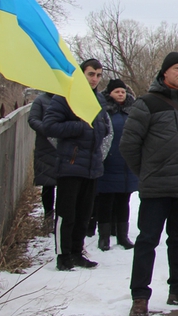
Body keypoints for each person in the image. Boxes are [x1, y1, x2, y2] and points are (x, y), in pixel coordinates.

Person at [119, 52, 178, 316]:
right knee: (147, 241)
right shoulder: (146, 104)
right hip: (156, 187)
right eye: (177, 68)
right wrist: (147, 173)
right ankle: (140, 296)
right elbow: (129, 145)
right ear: (165, 72)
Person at [42, 58, 112, 271]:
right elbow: (49, 126)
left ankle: (76, 251)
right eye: (91, 74)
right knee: (67, 212)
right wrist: (79, 126)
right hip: (71, 163)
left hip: (91, 164)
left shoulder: (98, 99)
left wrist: (98, 132)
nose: (94, 79)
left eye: (99, 75)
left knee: (84, 213)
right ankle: (63, 256)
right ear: (81, 74)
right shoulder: (65, 97)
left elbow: (103, 126)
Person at [96, 79, 139, 251]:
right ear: (110, 94)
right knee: (106, 200)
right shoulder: (104, 111)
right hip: (108, 161)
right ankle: (104, 237)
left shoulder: (132, 111)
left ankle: (123, 236)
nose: (120, 94)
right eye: (117, 92)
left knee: (124, 201)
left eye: (122, 91)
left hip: (126, 163)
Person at [27, 92, 58, 233]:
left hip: (64, 145)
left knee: (66, 185)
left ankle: (61, 219)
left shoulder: (68, 97)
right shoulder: (41, 100)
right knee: (48, 184)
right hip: (45, 147)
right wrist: (48, 130)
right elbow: (33, 119)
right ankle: (48, 217)